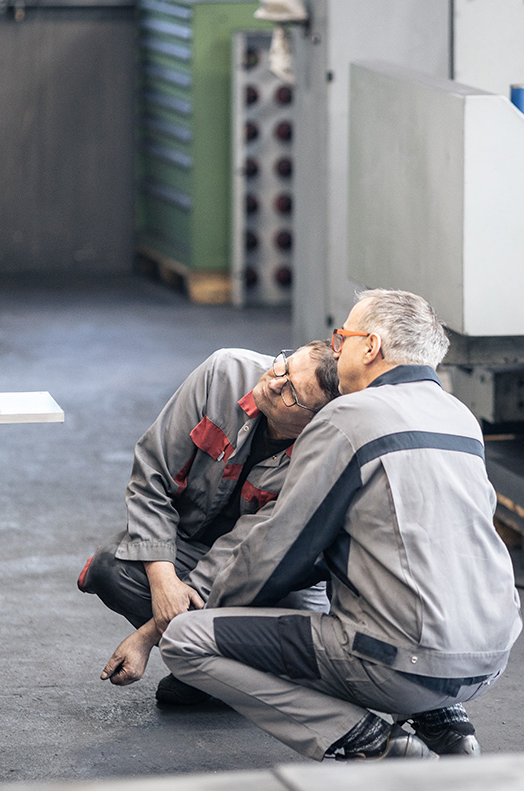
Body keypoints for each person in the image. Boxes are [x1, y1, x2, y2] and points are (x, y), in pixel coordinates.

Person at [159, 289, 522, 759]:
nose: (335, 348)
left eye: (342, 337)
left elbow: (276, 554)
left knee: (186, 642)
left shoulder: (347, 417)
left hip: (403, 663)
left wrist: (201, 613)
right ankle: (440, 713)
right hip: (490, 657)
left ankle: (364, 739)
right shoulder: (460, 417)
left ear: (369, 347)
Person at [78, 342, 339, 699]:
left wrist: (147, 636)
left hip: (274, 577)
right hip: (193, 543)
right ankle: (223, 676)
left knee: (303, 644)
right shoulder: (224, 374)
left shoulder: (319, 455)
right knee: (111, 567)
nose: (275, 382)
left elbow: (245, 558)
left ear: (315, 421)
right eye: (284, 366)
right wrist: (163, 579)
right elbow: (152, 474)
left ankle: (218, 677)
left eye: (292, 392)